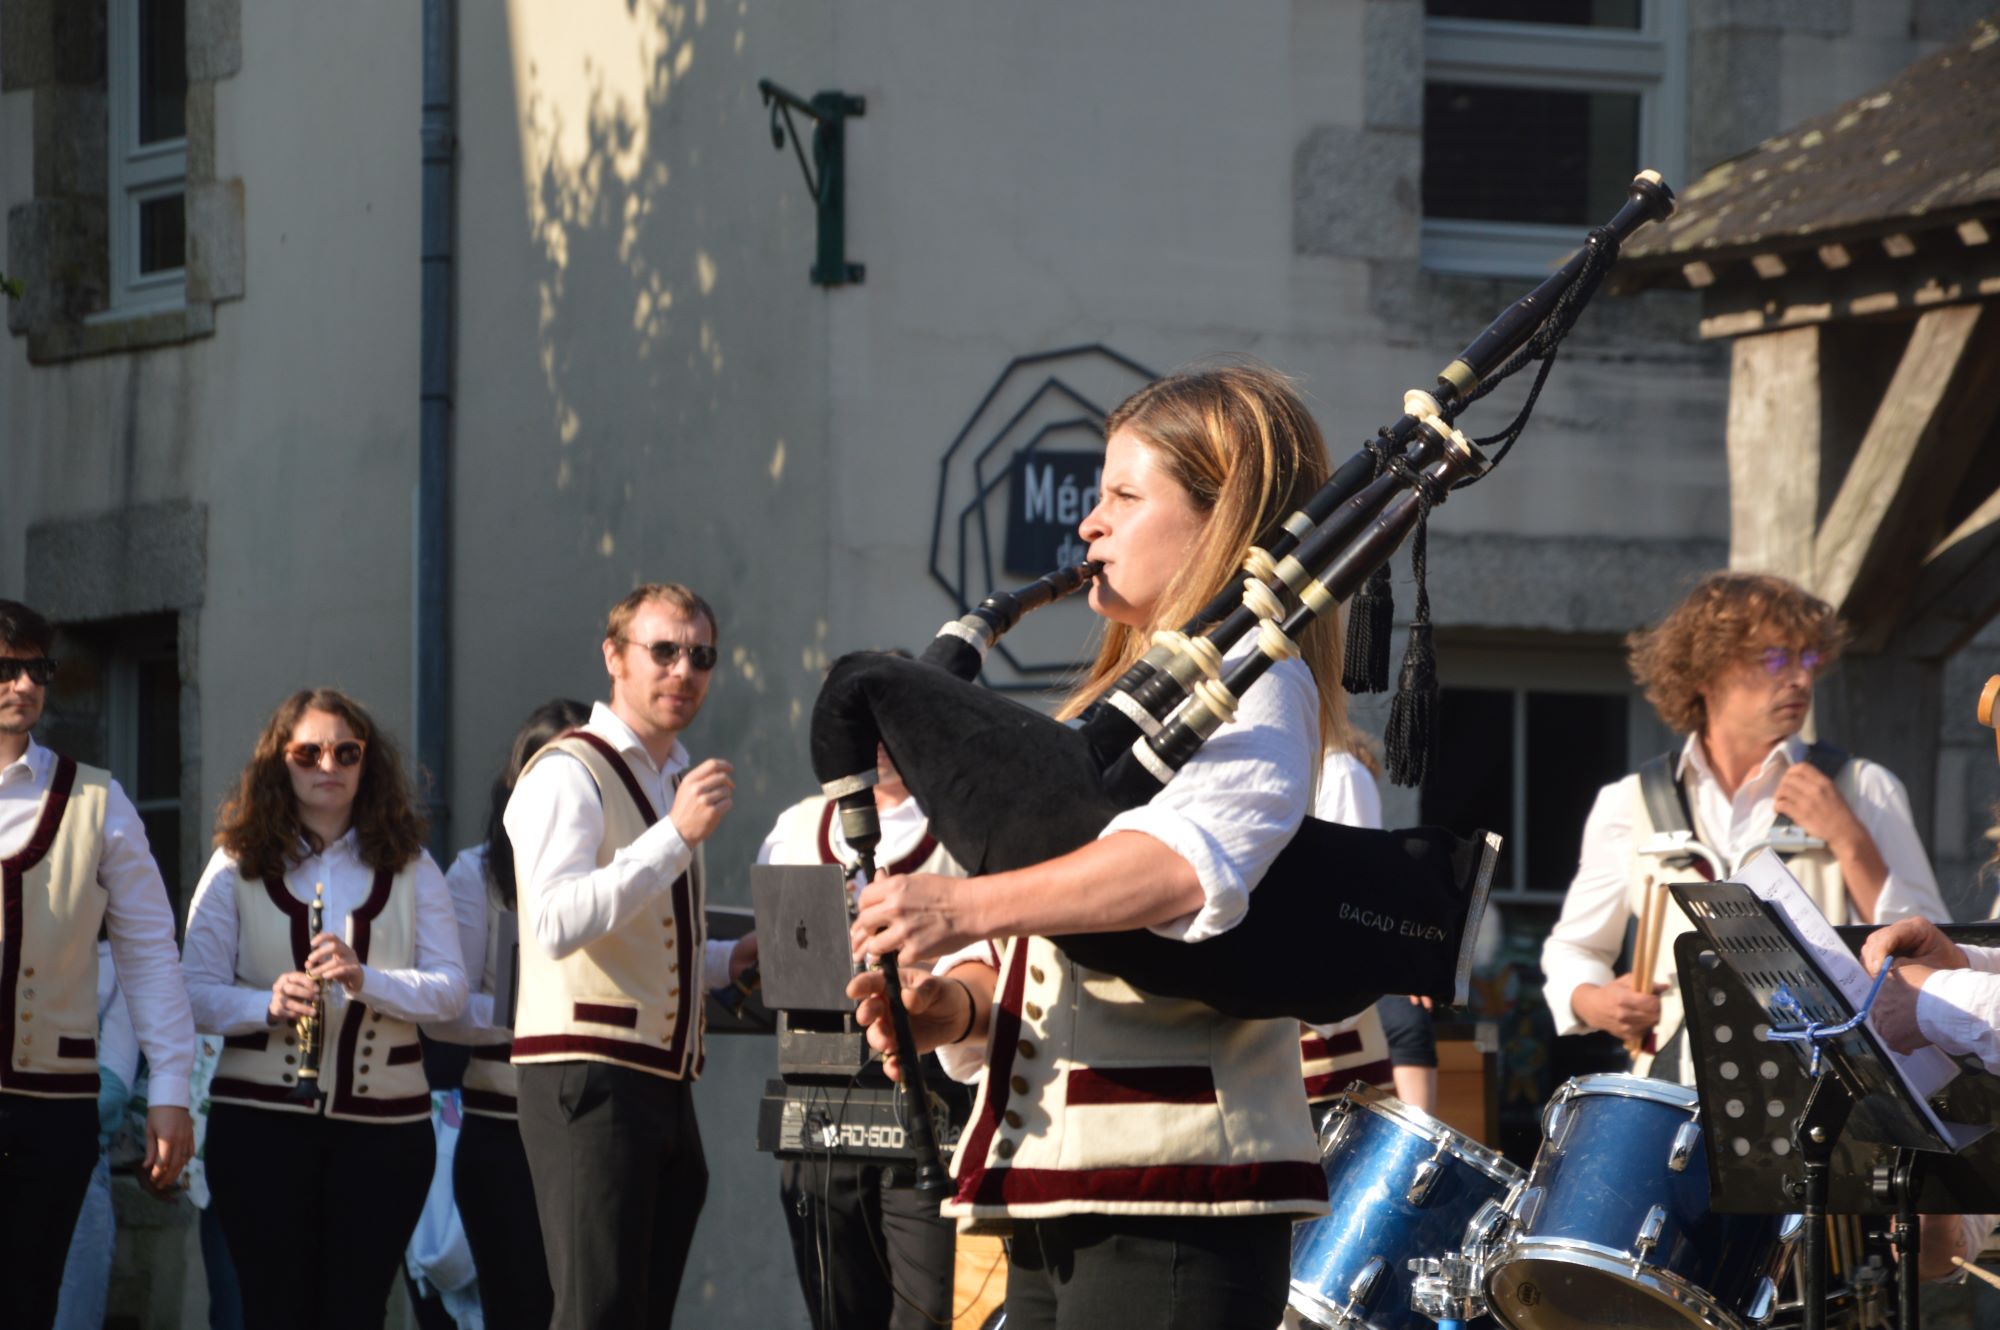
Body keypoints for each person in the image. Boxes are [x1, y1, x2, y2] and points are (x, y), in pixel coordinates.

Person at [846, 364, 1339, 1329]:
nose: (1089, 525)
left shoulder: (1256, 682)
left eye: (1123, 496)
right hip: (1062, 1185)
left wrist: (961, 907)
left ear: (1220, 521)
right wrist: (958, 1006)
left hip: (1179, 1193)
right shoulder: (1112, 711)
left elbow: (1180, 866)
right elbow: (1063, 954)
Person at [1541, 572, 1950, 1082]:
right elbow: (1574, 949)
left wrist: (1850, 841)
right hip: (1673, 1092)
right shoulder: (1629, 802)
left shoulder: (1864, 788)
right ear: (1704, 673)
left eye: (1808, 658)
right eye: (1774, 658)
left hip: (1824, 1088)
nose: (1800, 679)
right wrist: (1593, 1001)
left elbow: (1932, 953)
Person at [503, 583, 757, 1329]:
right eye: (665, 651)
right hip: (587, 1077)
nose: (684, 671)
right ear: (614, 657)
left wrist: (729, 960)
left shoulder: (668, 775)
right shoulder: (567, 770)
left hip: (658, 1081)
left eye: (701, 656)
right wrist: (674, 836)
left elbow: (646, 940)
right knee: (597, 1312)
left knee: (637, 1314)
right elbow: (554, 923)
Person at [181, 688, 467, 1330]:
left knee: (356, 1312)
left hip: (385, 1132)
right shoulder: (235, 864)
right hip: (260, 1125)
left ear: (367, 762)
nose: (328, 766)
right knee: (273, 1311)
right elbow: (190, 992)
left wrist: (368, 980)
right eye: (308, 753)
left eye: (346, 752)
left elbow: (451, 990)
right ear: (279, 762)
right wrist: (266, 1002)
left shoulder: (414, 866)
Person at [0, 599, 197, 1330]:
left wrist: (170, 1087)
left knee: (29, 1303)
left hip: (52, 1105)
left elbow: (149, 952)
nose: (25, 685)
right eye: (7, 668)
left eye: (39, 669)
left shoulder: (98, 800)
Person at [760, 740, 971, 1330]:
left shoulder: (960, 823)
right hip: (819, 1095)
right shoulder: (796, 828)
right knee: (837, 1307)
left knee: (925, 1309)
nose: (874, 744)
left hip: (927, 1093)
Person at [424, 697, 588, 1330]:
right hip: (505, 1129)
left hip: (596, 1125)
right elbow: (446, 1011)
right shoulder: (478, 874)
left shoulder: (621, 870)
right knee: (519, 1310)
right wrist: (532, 1009)